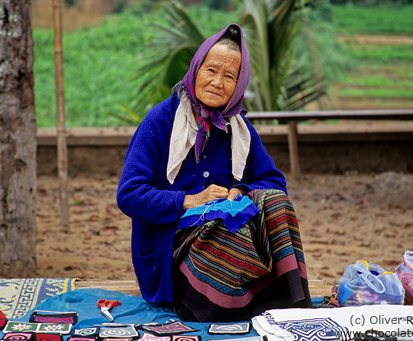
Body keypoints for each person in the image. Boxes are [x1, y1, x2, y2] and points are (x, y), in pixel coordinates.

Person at [117, 24, 311, 322]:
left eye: (229, 76)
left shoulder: (241, 131)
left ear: (239, 84)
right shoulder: (160, 121)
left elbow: (274, 182)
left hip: (229, 250)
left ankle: (288, 300)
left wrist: (242, 191)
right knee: (222, 228)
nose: (218, 82)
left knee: (274, 202)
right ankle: (216, 303)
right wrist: (189, 201)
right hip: (170, 254)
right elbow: (129, 195)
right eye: (211, 70)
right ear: (196, 70)